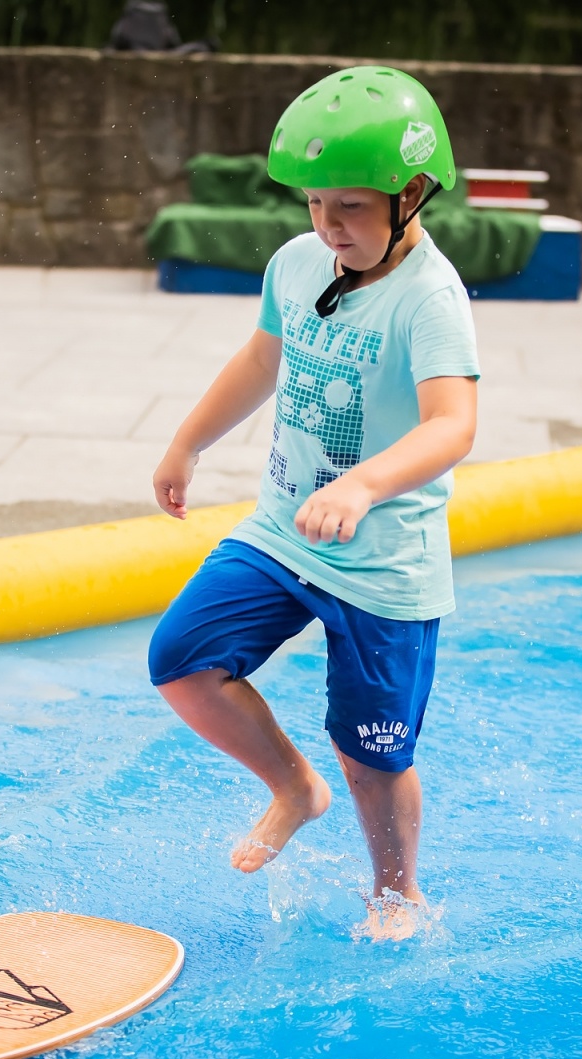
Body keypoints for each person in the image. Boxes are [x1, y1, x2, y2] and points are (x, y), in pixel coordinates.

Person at [147, 67, 479, 941]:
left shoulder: (431, 298)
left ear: (412, 194)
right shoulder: (300, 264)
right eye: (316, 204)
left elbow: (454, 424)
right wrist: (187, 443)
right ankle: (293, 787)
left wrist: (364, 484)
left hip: (382, 565)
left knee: (373, 756)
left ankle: (396, 891)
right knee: (183, 660)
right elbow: (263, 360)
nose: (329, 227)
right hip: (284, 532)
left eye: (352, 209)